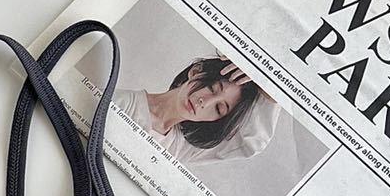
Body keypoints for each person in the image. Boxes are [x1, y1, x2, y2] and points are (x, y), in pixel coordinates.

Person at [114, 55, 282, 167]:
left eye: (218, 108)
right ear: (196, 72)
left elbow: (252, 144)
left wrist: (267, 82)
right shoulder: (121, 102)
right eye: (211, 88)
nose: (205, 103)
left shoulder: (181, 148)